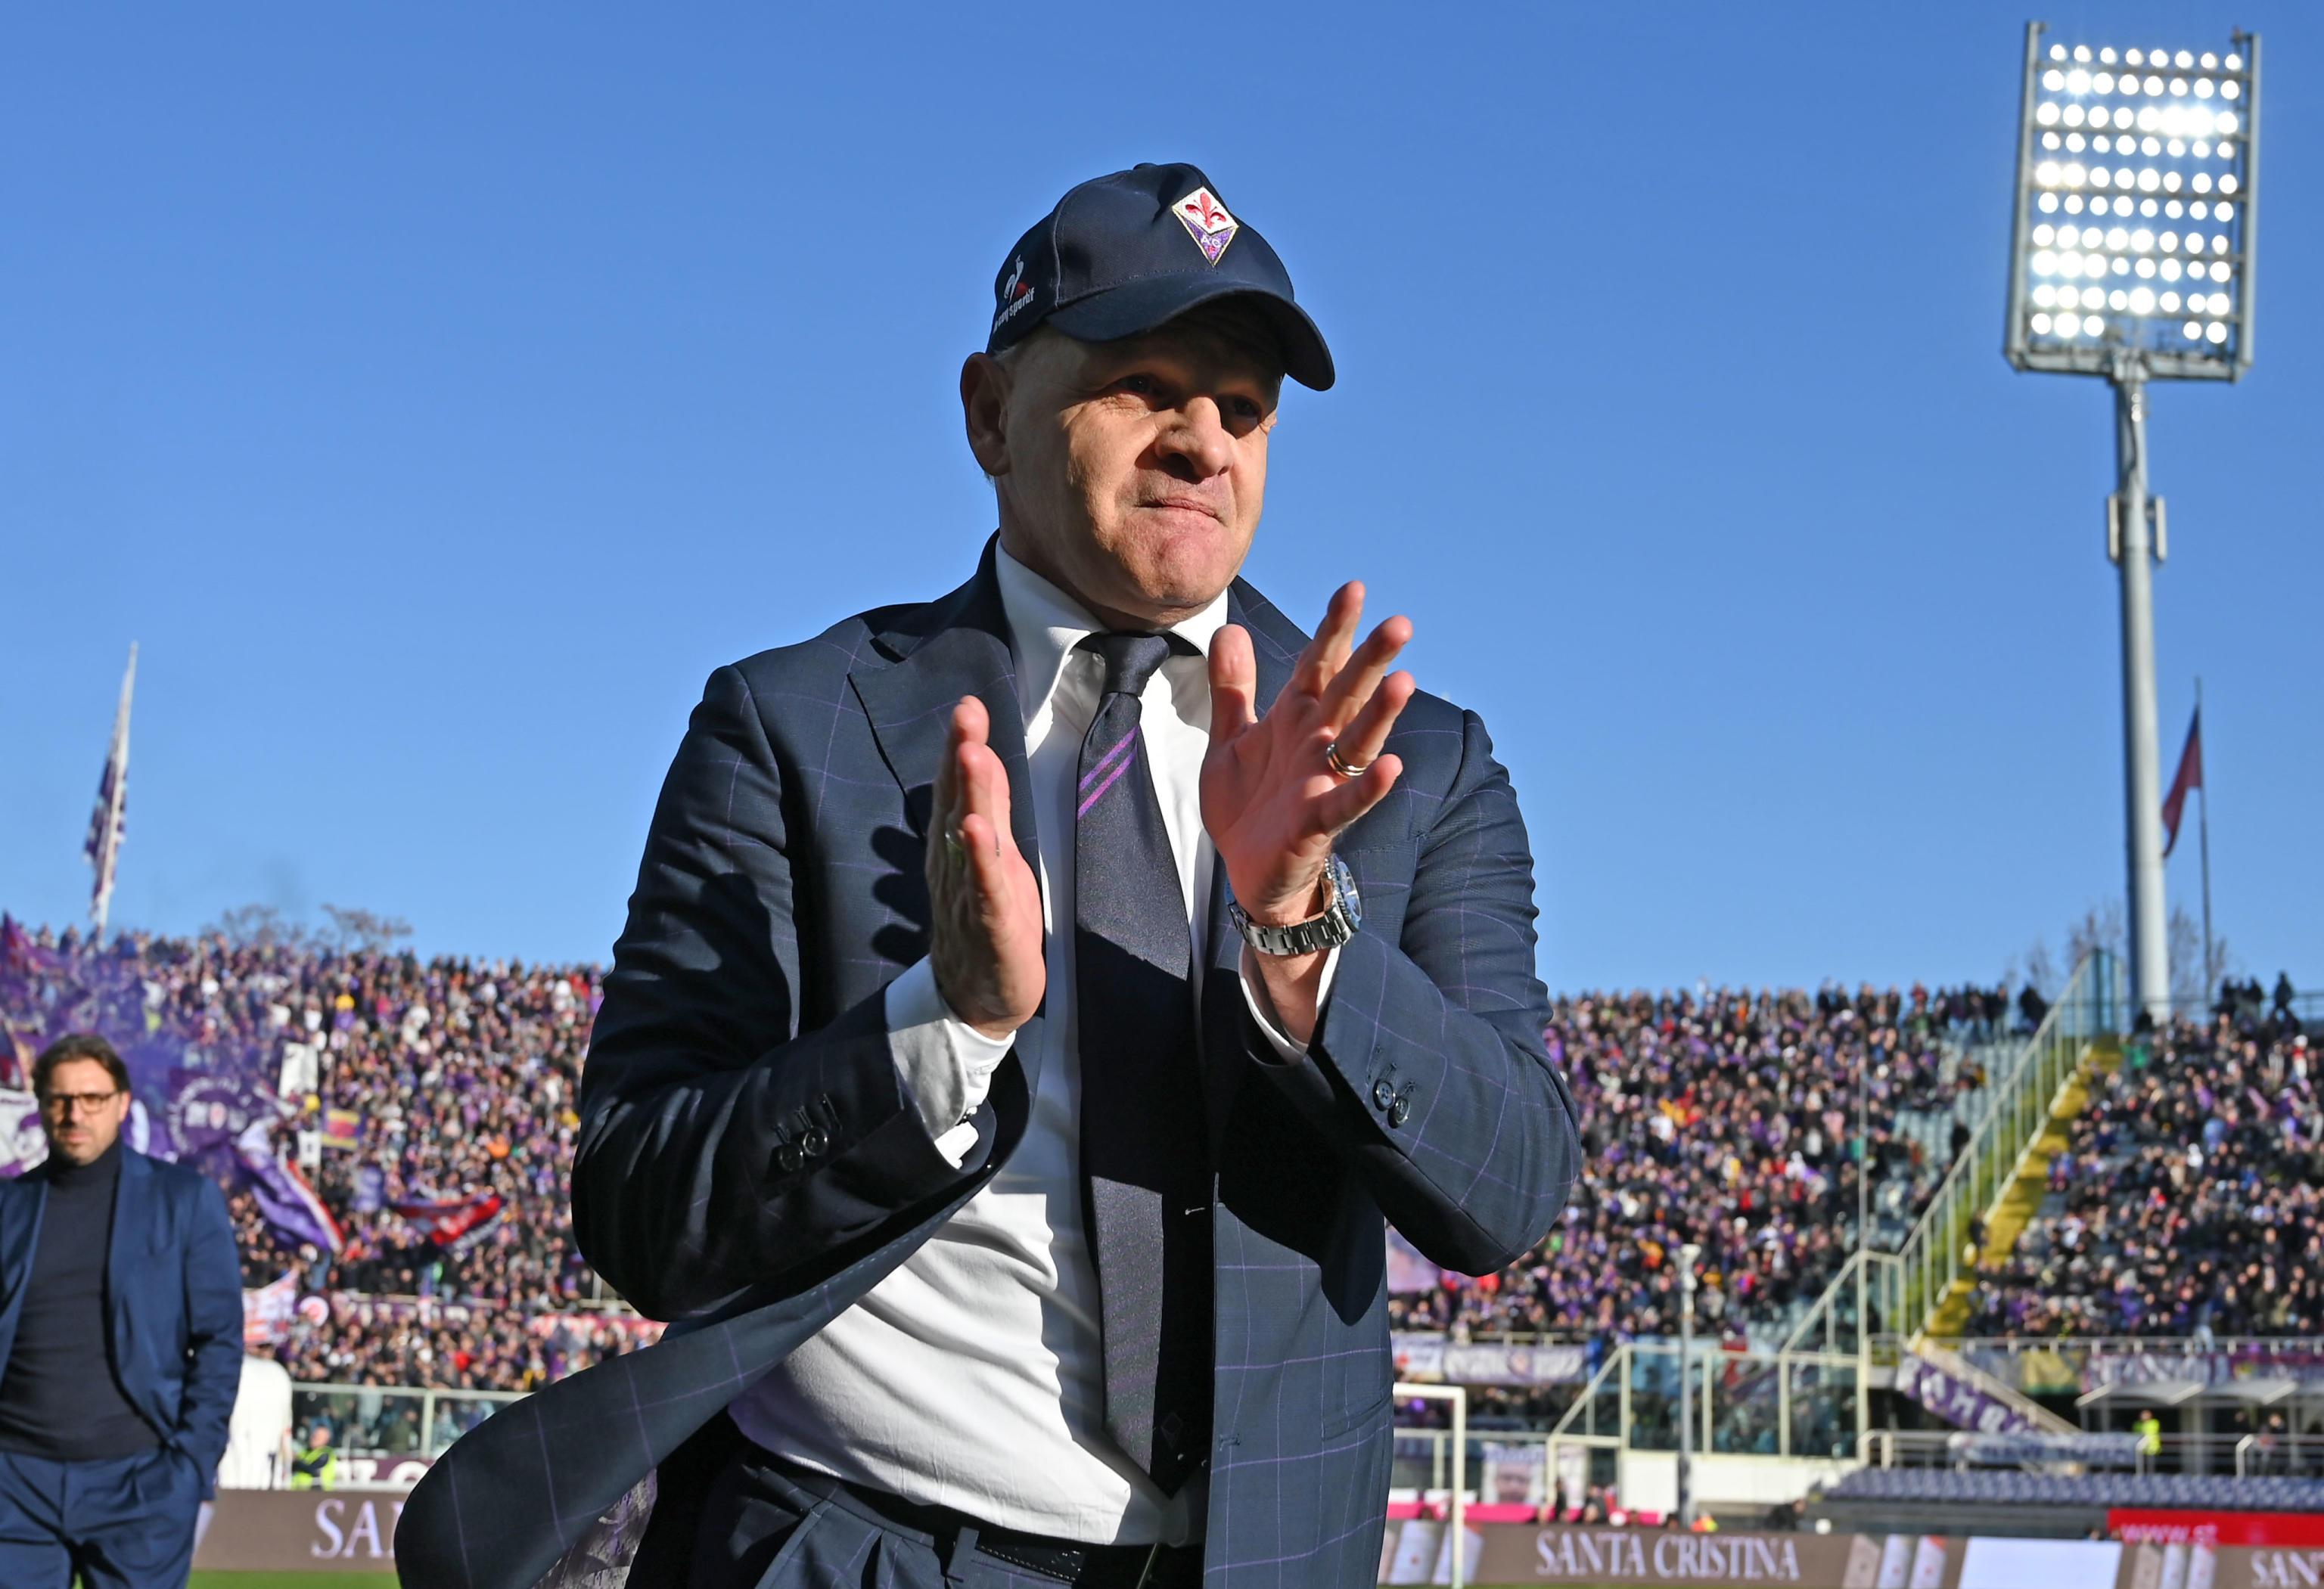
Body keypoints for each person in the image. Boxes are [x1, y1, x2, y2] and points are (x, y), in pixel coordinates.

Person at [398, 162, 1580, 1589]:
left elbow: (1509, 1190)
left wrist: (1298, 939)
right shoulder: (793, 725)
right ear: (987, 413)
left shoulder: (1412, 768)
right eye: (1144, 383)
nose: (1202, 441)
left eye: (1245, 408)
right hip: (856, 1542)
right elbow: (643, 1206)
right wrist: (939, 1025)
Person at [0, 1033, 242, 1589]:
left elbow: (219, 1339)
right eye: (61, 1098)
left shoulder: (183, 1198)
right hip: (15, 1484)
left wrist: (189, 1463)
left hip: (141, 1482)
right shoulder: (9, 1205)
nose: (75, 1112)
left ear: (122, 1102)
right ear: (40, 1104)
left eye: (92, 1098)